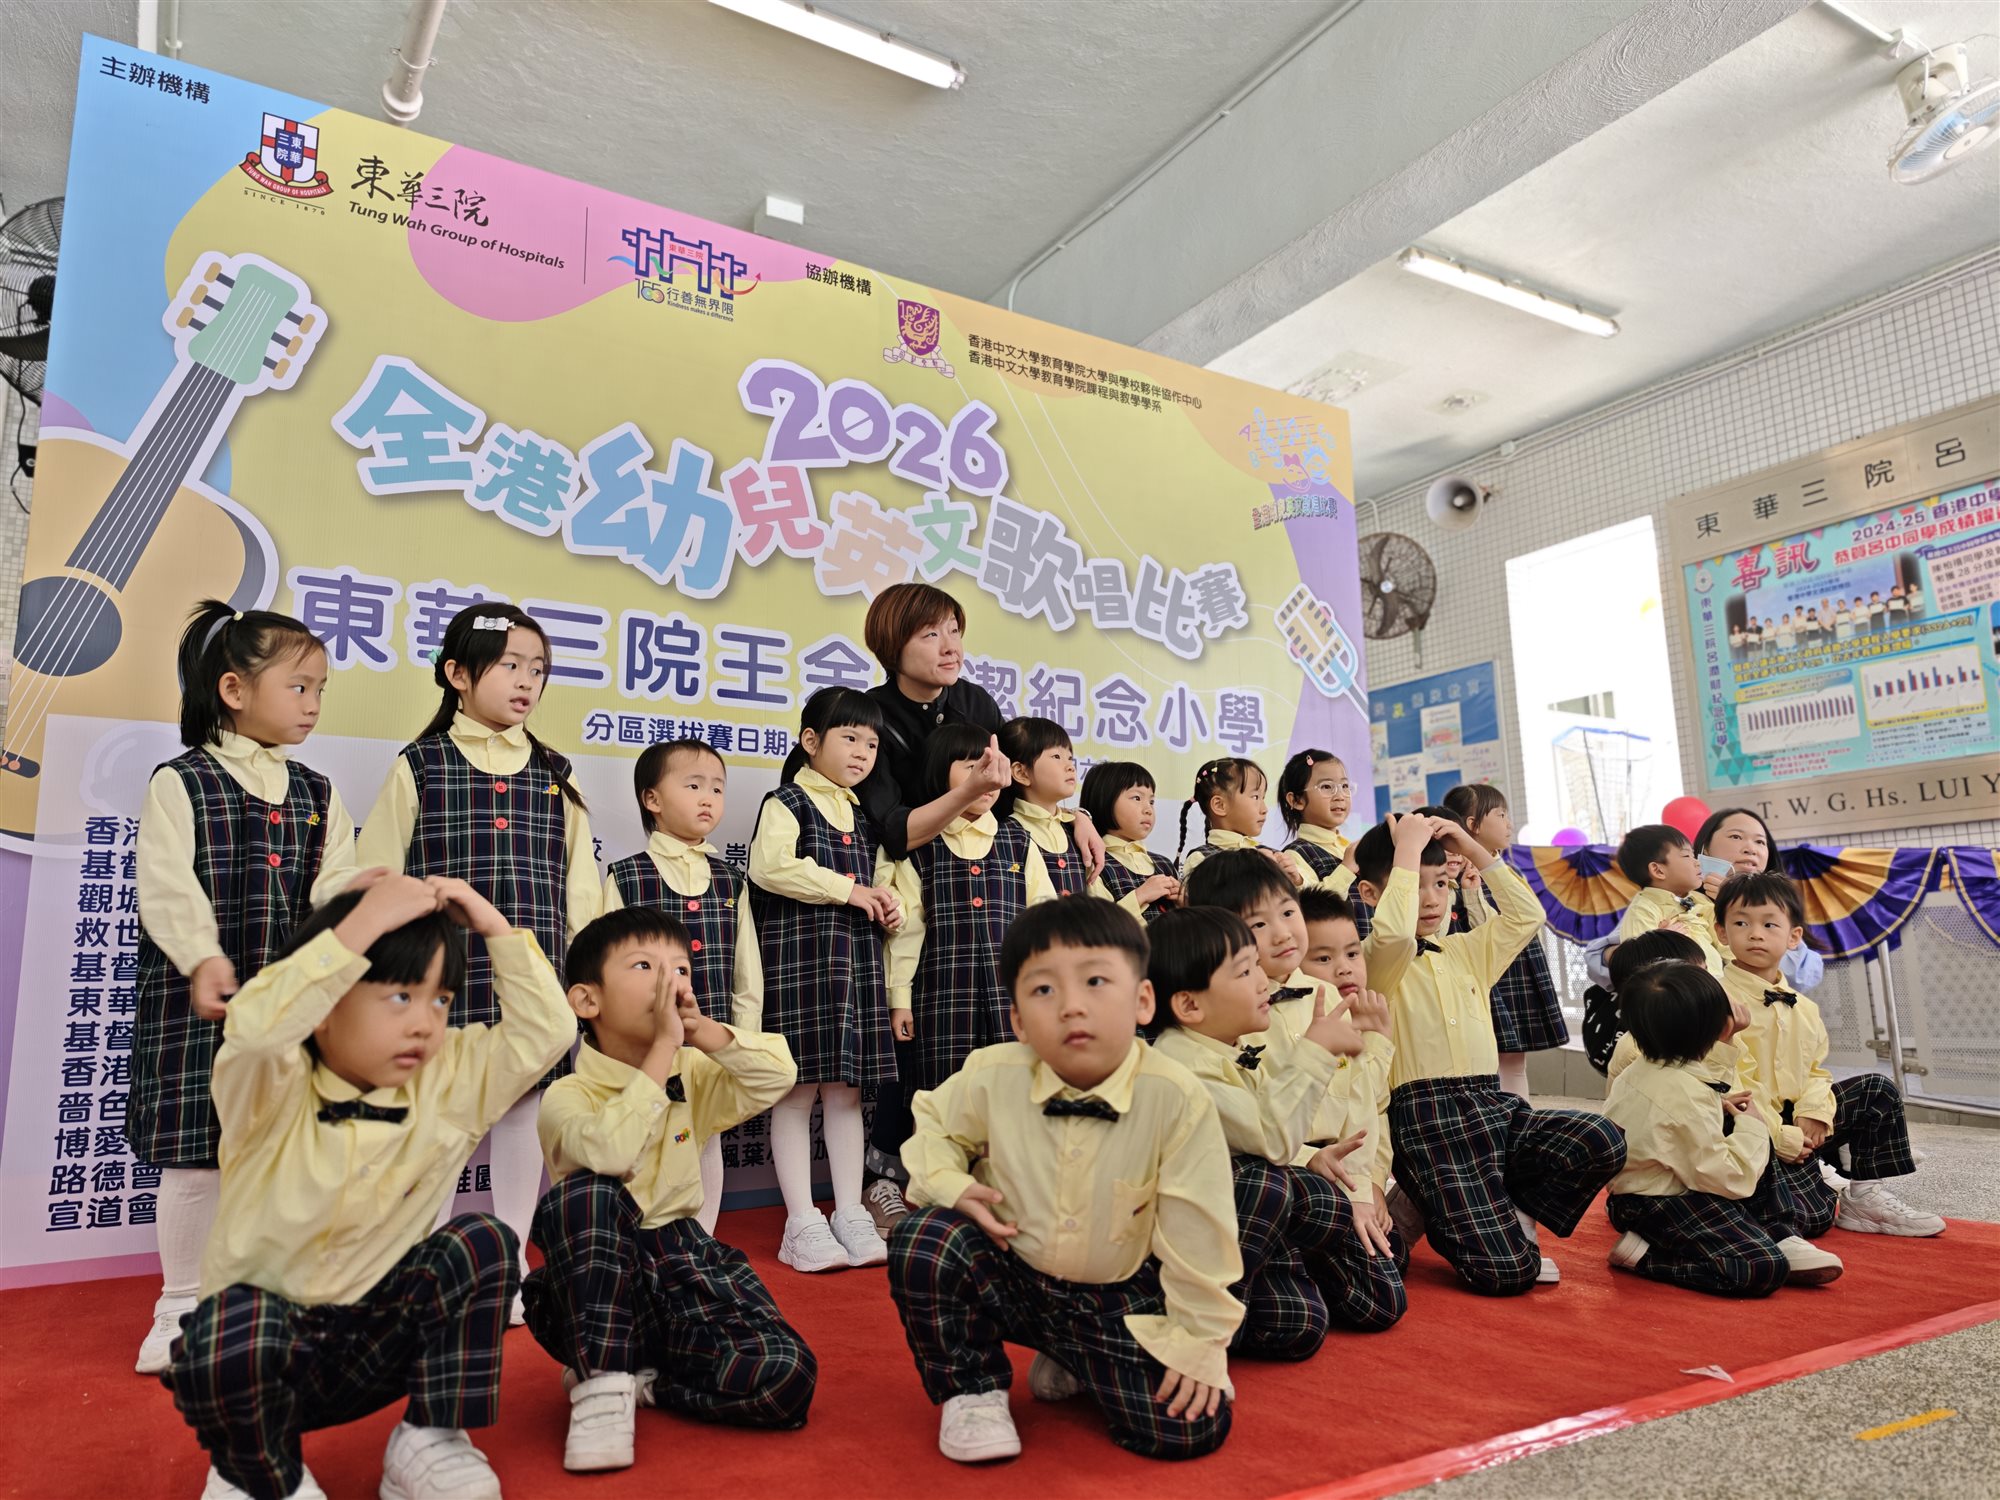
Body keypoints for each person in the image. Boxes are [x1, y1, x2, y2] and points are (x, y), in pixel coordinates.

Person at [161, 875, 574, 1500]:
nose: (424, 1024)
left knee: (482, 1242)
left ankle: (430, 1438)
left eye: (440, 1000)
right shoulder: (269, 1081)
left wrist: (494, 927)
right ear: (326, 1004)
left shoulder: (449, 1080)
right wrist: (358, 925)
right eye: (400, 996)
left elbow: (547, 1032)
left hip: (377, 1344)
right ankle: (255, 1469)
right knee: (231, 1325)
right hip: (264, 1356)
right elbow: (257, 1027)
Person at [887, 901, 1240, 1463]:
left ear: (1143, 1000)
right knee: (927, 1238)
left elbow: (1199, 1235)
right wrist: (953, 1185)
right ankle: (972, 1390)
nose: (1071, 1005)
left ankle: (1075, 1357)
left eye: (1096, 981)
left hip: (1117, 1295)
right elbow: (933, 1124)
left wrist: (1200, 1343)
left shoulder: (1175, 1096)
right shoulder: (993, 1073)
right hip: (1014, 1273)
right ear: (1019, 1021)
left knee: (1190, 1428)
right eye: (1044, 990)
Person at [131, 600, 362, 1375]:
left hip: (289, 1008)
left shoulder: (318, 793)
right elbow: (167, 887)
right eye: (299, 687)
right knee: (197, 1155)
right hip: (198, 1004)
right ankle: (178, 1308)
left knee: (277, 1153)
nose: (313, 704)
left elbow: (334, 891)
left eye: (320, 689)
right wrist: (202, 957)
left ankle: (255, 1300)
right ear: (234, 690)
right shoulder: (182, 781)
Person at [357, 604, 599, 1320]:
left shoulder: (556, 773)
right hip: (444, 977)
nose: (527, 682)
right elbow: (377, 875)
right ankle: (433, 1263)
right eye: (510, 666)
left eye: (538, 669)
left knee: (525, 1109)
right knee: (440, 1113)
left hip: (535, 975)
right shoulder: (421, 764)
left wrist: (583, 978)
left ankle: (512, 1263)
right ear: (457, 674)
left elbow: (580, 889)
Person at [524, 909, 810, 1472]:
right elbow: (610, 1155)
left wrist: (700, 1033)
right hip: (598, 1277)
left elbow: (777, 1077)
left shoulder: (692, 1069)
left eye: (680, 968)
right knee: (584, 1196)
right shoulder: (567, 1096)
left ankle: (648, 1385)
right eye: (644, 966)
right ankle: (601, 1383)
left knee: (788, 1376)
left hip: (684, 1262)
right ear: (587, 1000)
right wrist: (661, 1050)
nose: (669, 982)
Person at [1353, 814, 1625, 1293]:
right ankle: (1431, 1208)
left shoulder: (1464, 950)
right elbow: (1393, 934)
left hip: (1491, 1104)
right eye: (1414, 884)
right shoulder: (1375, 959)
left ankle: (1480, 1204)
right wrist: (1407, 852)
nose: (1431, 898)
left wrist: (1471, 847)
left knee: (1603, 1137)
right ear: (1373, 894)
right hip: (1428, 1123)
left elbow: (1526, 916)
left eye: (1440, 883)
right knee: (1507, 1272)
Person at [1146, 908, 1397, 1351]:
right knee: (1272, 1184)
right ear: (1190, 1005)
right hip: (1179, 1237)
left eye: (1257, 967)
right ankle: (1175, 1323)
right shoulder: (1178, 1064)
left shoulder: (1233, 1048)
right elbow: (1272, 1140)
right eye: (1245, 972)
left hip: (1241, 1220)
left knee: (1325, 1318)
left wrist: (1324, 1162)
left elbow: (1293, 1130)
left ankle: (1236, 1299)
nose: (1264, 982)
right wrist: (1316, 1051)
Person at [748, 687, 903, 1273]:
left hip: (855, 963)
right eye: (850, 737)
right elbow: (769, 867)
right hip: (801, 960)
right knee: (796, 1089)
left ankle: (849, 1213)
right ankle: (801, 1222)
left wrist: (888, 905)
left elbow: (882, 883)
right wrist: (849, 890)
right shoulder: (786, 801)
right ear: (811, 741)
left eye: (871, 743)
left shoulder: (864, 816)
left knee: (846, 1093)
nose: (862, 752)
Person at [1716, 873, 1945, 1240]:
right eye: (1741, 923)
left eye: (1769, 924)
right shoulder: (1716, 1000)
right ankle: (1802, 1182)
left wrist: (1815, 1112)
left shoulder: (1805, 1008)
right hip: (1747, 1123)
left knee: (1877, 1090)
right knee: (1811, 1218)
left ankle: (1864, 1198)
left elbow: (1815, 1071)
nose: (1755, 934)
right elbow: (1730, 1082)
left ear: (1793, 937)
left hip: (1798, 1117)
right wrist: (1779, 1136)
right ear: (1722, 933)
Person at [600, 738, 764, 1233]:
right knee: (645, 1137)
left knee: (703, 1138)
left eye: (717, 788)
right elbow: (607, 970)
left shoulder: (731, 881)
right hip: (644, 1044)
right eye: (693, 786)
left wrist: (742, 1041)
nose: (708, 798)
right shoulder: (628, 877)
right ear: (652, 799)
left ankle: (701, 1243)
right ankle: (639, 1245)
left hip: (708, 1043)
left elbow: (746, 974)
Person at [1601, 963, 1832, 1295]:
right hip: (1655, 1204)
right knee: (1761, 1267)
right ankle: (1645, 1256)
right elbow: (1731, 1179)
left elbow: (1707, 1081)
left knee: (1743, 1124)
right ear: (1716, 1026)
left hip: (1675, 1181)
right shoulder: (1682, 1094)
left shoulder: (1652, 1065)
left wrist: (1727, 1049)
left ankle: (1779, 1233)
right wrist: (1753, 1126)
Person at [887, 724, 1057, 1098]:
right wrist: (900, 1000)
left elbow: (1044, 919)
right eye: (972, 768)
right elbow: (907, 931)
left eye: (993, 768)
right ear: (939, 772)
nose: (987, 778)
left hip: (1011, 997)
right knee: (940, 1099)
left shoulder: (1018, 840)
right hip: (940, 999)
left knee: (1013, 1097)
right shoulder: (921, 848)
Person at [1585, 806, 1822, 993]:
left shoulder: (1780, 904)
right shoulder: (1675, 898)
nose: (1751, 848)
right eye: (1736, 837)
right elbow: (1599, 959)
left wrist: (1735, 905)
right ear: (1705, 849)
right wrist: (1656, 946)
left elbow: (1801, 975)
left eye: (1760, 841)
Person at [1296, 886, 1404, 1266]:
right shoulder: (1293, 1020)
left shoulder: (1361, 1014)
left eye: (1353, 954)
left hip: (1348, 1172)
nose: (1344, 968)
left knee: (1393, 1257)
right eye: (1324, 958)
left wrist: (1372, 1184)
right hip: (1303, 1165)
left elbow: (1374, 1111)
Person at [1442, 783, 1568, 1099]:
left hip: (1516, 967)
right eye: (1500, 815)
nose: (1509, 824)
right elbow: (1479, 928)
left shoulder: (1503, 866)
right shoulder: (1457, 870)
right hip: (1490, 970)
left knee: (1514, 1057)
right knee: (1492, 1056)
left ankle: (1520, 1114)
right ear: (1472, 824)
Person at [997, 716, 1111, 900]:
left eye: (1070, 758)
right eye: (1056, 756)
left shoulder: (1078, 832)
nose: (1070, 767)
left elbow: (1098, 901)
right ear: (1021, 772)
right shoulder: (1004, 834)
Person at [1612, 823, 1724, 974]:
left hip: (1716, 984)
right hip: (1676, 986)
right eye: (1686, 856)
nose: (1697, 862)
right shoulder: (1642, 910)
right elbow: (1636, 966)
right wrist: (1660, 943)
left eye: (1693, 855)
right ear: (1658, 870)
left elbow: (1727, 946)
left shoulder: (1701, 900)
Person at [1080, 761, 1182, 921]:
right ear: (1105, 800)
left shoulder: (1164, 864)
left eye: (1151, 801)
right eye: (1137, 798)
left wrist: (1184, 903)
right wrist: (1140, 896)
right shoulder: (1095, 863)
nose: (1148, 809)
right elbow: (1098, 926)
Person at [1178, 756, 1306, 883]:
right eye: (1255, 797)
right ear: (1219, 805)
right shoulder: (1201, 859)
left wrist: (1296, 880)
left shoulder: (1273, 856)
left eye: (1263, 798)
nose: (1265, 809)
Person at [1277, 748, 1358, 893]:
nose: (1340, 796)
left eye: (1344, 786)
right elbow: (1312, 903)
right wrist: (1346, 869)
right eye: (1326, 786)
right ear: (1296, 800)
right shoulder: (1294, 856)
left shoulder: (1348, 848)